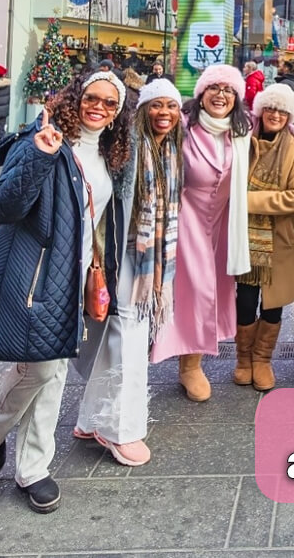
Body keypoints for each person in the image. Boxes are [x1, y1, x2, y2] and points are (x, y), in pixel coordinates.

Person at [0, 71, 132, 512]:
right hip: (38, 275)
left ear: (117, 112)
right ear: (76, 97)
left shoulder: (109, 153)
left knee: (54, 371)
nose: (99, 108)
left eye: (110, 103)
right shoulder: (43, 138)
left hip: (74, 277)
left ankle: (32, 468)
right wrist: (39, 157)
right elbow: (3, 205)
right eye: (92, 97)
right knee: (40, 370)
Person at [71, 78, 183, 468]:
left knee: (118, 337)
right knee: (128, 339)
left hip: (148, 259)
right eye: (156, 105)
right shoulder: (129, 146)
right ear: (141, 110)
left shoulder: (171, 148)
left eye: (171, 106)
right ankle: (120, 429)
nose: (164, 113)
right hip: (124, 255)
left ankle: (91, 420)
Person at [151, 64, 253, 402]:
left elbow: (281, 124)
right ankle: (189, 366)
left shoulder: (241, 130)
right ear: (201, 94)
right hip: (185, 219)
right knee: (193, 291)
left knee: (213, 291)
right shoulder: (183, 126)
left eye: (228, 90)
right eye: (214, 88)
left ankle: (190, 361)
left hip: (222, 224)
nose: (221, 95)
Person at [235, 83, 294, 391]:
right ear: (260, 110)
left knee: (272, 303)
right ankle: (243, 360)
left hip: (279, 237)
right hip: (244, 237)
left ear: (290, 116)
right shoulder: (242, 138)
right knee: (245, 299)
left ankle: (263, 360)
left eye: (282, 110)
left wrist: (247, 200)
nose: (275, 115)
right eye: (270, 108)